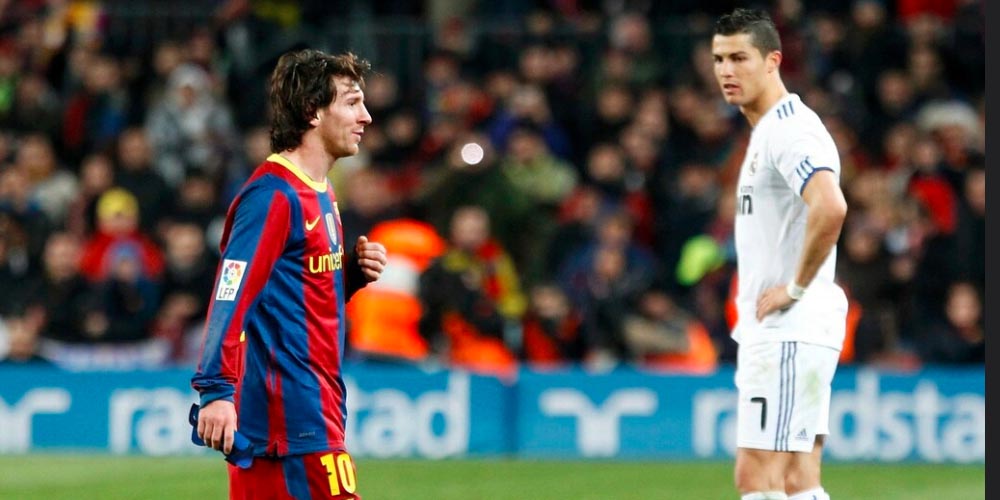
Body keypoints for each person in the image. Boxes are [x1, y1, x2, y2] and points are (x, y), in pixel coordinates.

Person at [190, 49, 387, 500]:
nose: (366, 116)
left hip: (305, 415)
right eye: (352, 102)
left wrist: (349, 278)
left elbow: (291, 296)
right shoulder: (274, 197)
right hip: (292, 422)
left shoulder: (321, 192)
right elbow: (231, 294)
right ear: (312, 111)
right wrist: (216, 390)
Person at [712, 9, 848, 500]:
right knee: (797, 480)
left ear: (773, 61)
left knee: (757, 476)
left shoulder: (790, 130)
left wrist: (795, 287)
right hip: (793, 332)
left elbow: (831, 206)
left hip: (790, 330)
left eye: (739, 58)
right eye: (719, 59)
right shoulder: (768, 131)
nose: (727, 71)